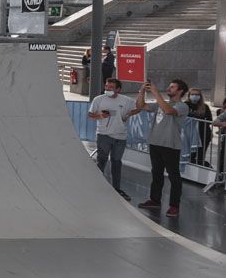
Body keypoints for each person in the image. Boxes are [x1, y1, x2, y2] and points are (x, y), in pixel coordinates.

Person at [135, 78, 190, 217]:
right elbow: (141, 106)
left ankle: (174, 205)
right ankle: (155, 200)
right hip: (155, 142)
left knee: (173, 175)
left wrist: (155, 92)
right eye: (169, 86)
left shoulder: (182, 106)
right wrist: (142, 91)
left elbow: (168, 111)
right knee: (156, 173)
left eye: (172, 87)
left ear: (180, 91)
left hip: (170, 144)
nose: (169, 88)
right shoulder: (160, 103)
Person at [87, 78, 139, 199]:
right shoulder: (98, 99)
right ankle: (96, 186)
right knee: (101, 160)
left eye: (111, 87)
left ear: (118, 89)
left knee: (116, 162)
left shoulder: (126, 100)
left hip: (120, 137)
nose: (107, 89)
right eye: (106, 86)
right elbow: (90, 115)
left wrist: (128, 114)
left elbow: (139, 107)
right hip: (103, 135)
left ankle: (117, 188)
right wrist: (100, 116)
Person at [185, 88, 213, 166]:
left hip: (203, 134)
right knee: (189, 155)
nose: (195, 96)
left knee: (200, 156)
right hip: (189, 134)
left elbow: (209, 119)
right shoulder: (185, 105)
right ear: (189, 96)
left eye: (197, 94)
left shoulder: (204, 106)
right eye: (192, 94)